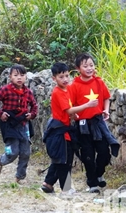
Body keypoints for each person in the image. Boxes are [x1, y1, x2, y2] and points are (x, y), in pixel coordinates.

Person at [67, 52, 119, 193]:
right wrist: (74, 115)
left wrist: (106, 110)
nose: (89, 68)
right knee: (87, 155)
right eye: (85, 66)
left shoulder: (99, 82)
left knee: (104, 151)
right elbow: (70, 107)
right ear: (78, 69)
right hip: (82, 125)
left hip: (98, 122)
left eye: (91, 65)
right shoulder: (74, 86)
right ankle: (92, 184)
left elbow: (106, 97)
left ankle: (99, 173)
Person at [0, 64, 38, 183]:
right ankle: (0, 160)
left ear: (26, 77)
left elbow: (34, 106)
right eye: (16, 75)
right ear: (10, 77)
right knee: (12, 152)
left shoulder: (28, 92)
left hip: (24, 124)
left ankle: (19, 177)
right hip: (9, 123)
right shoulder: (5, 90)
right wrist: (0, 113)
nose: (19, 78)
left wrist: (31, 114)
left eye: (22, 75)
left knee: (26, 152)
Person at [41, 62, 76, 193]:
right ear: (54, 78)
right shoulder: (58, 92)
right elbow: (68, 110)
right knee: (64, 160)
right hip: (60, 131)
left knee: (60, 158)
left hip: (64, 130)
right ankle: (66, 188)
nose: (65, 79)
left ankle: (48, 183)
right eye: (61, 77)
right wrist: (87, 106)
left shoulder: (66, 90)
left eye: (67, 76)